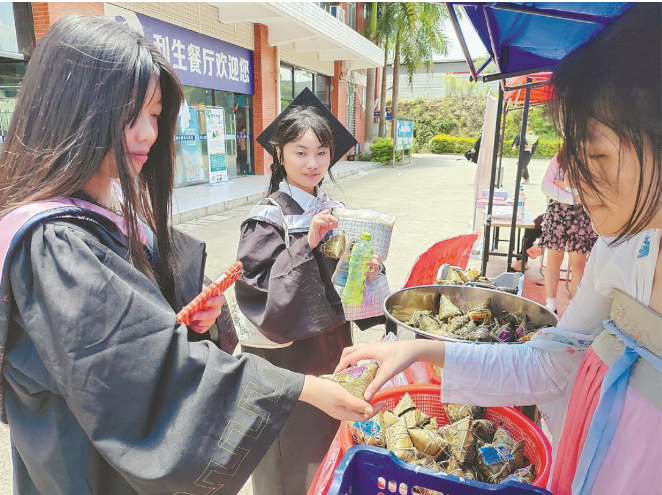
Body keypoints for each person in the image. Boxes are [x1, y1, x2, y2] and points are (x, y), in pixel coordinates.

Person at [0, 17, 376, 495]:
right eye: (129, 115)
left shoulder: (105, 215)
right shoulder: (54, 241)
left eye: (155, 115)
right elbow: (130, 368)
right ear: (74, 112)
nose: (148, 134)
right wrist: (297, 387)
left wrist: (190, 319)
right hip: (91, 461)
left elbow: (143, 333)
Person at [335, 4, 661, 494]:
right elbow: (550, 364)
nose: (575, 180)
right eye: (573, 152)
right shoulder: (619, 248)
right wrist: (419, 347)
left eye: (597, 153)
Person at [235, 88, 383, 495]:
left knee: (329, 443)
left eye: (321, 152)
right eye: (300, 152)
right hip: (289, 359)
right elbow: (259, 296)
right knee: (292, 453)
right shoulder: (266, 219)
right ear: (279, 154)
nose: (313, 163)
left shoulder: (332, 208)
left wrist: (367, 270)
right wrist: (306, 246)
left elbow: (344, 286)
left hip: (331, 348)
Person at [539, 150, 598, 312]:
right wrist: (573, 197)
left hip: (581, 216)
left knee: (578, 264)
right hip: (557, 214)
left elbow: (592, 190)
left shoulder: (592, 157)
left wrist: (565, 186)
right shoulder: (560, 156)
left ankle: (573, 307)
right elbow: (545, 185)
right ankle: (550, 305)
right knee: (553, 261)